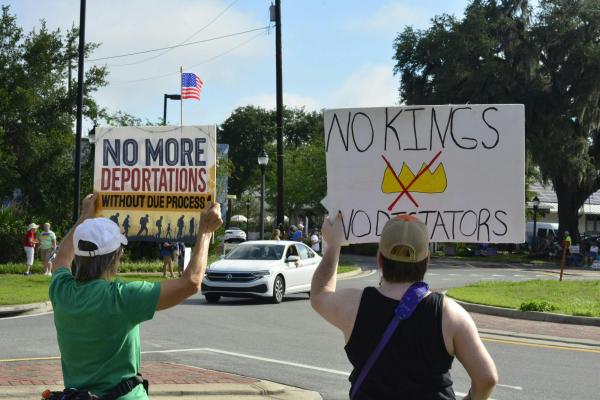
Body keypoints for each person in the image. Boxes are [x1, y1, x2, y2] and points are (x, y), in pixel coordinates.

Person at [48, 193, 222, 399]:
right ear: (117, 256)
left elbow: (61, 258)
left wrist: (85, 215)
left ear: (78, 254)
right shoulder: (122, 298)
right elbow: (191, 283)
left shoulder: (61, 290)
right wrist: (205, 232)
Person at [311, 214, 497, 399]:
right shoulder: (450, 314)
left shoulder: (353, 304)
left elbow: (320, 294)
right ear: (426, 261)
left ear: (379, 259)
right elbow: (486, 378)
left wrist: (333, 245)